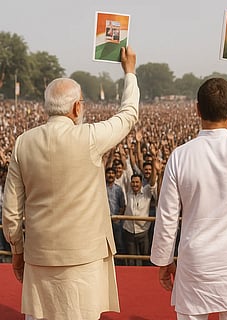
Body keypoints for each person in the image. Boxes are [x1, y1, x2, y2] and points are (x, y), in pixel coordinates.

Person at [1, 46, 139, 320]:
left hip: (39, 258)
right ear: (77, 107)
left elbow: (11, 211)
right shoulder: (89, 137)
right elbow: (128, 115)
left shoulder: (22, 143)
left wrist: (17, 250)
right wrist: (130, 72)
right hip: (84, 261)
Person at [150, 43, 227, 320]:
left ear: (197, 110)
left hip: (196, 264)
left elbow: (167, 217)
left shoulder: (180, 156)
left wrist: (164, 261)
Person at [105, 166, 126, 265]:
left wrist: (118, 217)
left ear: (115, 176)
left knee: (119, 244)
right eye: (108, 173)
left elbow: (122, 205)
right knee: (106, 245)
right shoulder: (101, 188)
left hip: (116, 221)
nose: (110, 175)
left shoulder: (118, 189)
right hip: (105, 221)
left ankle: (120, 265)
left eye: (112, 173)